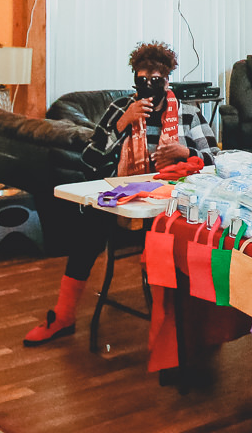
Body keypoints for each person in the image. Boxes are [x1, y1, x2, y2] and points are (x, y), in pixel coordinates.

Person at [23, 41, 216, 345]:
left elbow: (215, 160)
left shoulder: (188, 114)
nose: (148, 87)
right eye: (142, 81)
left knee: (194, 231)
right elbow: (89, 160)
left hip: (170, 204)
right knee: (88, 224)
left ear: (166, 81)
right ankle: (63, 314)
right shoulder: (120, 109)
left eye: (155, 80)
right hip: (125, 200)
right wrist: (121, 124)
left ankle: (185, 323)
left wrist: (185, 150)